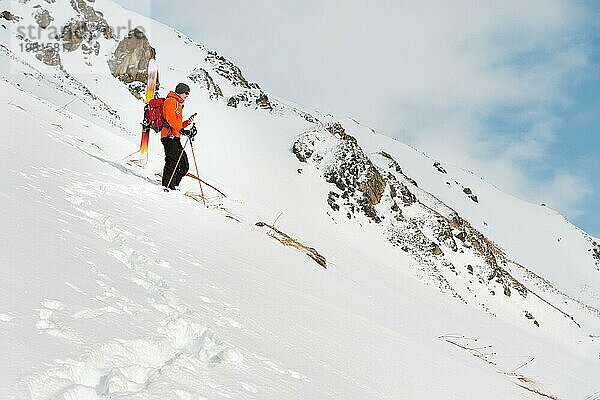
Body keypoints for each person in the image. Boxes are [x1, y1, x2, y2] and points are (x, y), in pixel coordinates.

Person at [161, 83, 196, 191]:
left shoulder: (178, 104)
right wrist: (181, 130)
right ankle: (167, 185)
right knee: (172, 161)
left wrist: (186, 123)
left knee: (183, 164)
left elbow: (177, 123)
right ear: (180, 91)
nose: (187, 95)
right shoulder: (171, 101)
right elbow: (170, 119)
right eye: (186, 93)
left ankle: (173, 184)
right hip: (169, 136)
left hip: (175, 137)